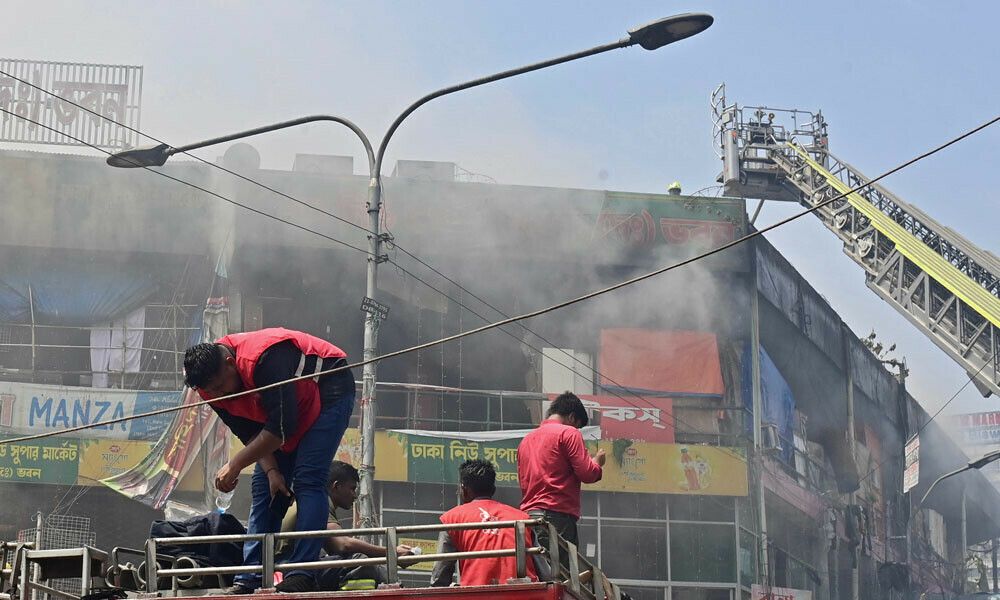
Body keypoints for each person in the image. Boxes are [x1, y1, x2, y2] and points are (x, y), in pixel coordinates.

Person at [183, 327, 355, 594]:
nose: (217, 394)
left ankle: (303, 571)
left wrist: (235, 464)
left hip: (329, 390)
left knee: (309, 478)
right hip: (283, 415)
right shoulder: (210, 389)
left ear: (230, 363)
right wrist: (273, 471)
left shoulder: (265, 357)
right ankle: (250, 574)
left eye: (219, 386)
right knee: (264, 488)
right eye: (211, 391)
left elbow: (280, 430)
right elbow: (251, 433)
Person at [276, 461, 414, 590]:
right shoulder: (321, 502)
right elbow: (343, 545)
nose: (355, 496)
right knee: (360, 562)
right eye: (352, 488)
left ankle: (398, 589)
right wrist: (392, 553)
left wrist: (388, 559)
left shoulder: (313, 501)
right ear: (336, 486)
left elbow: (336, 550)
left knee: (367, 563)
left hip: (292, 565)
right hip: (290, 568)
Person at [432, 459, 544, 587]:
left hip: (475, 595)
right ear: (493, 490)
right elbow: (544, 570)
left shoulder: (452, 519)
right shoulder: (522, 518)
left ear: (464, 489)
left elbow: (440, 575)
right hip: (524, 593)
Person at [517, 392, 605, 548]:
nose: (577, 429)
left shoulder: (526, 440)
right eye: (577, 425)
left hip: (529, 518)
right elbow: (587, 474)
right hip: (558, 519)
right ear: (571, 417)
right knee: (563, 571)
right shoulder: (569, 433)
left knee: (536, 570)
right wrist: (597, 463)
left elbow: (523, 482)